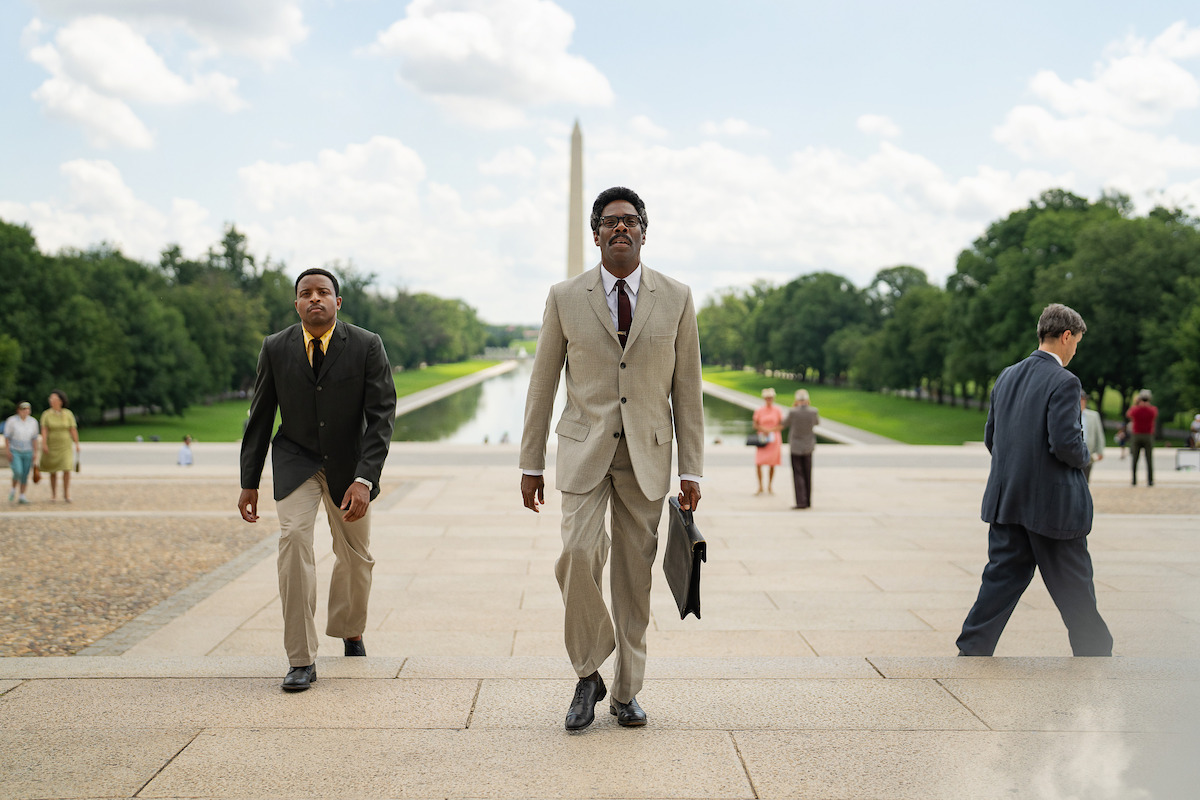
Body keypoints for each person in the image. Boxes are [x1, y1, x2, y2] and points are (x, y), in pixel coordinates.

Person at [520, 186, 703, 731]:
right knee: (577, 555)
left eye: (629, 221)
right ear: (595, 232)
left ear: (645, 231)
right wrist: (530, 462)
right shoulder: (564, 296)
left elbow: (687, 388)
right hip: (584, 448)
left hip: (647, 454)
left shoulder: (676, 296)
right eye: (608, 221)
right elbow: (542, 382)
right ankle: (587, 672)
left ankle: (626, 691)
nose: (619, 229)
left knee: (633, 577)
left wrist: (691, 468)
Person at [238, 267, 397, 693]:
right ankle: (301, 658)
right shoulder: (275, 347)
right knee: (293, 542)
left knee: (355, 556)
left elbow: (382, 416)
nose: (315, 299)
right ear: (296, 304)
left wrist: (365, 479)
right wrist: (248, 480)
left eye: (323, 292)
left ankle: (350, 629)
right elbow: (260, 416)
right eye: (305, 293)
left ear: (337, 302)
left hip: (350, 466)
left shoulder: (366, 345)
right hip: (296, 461)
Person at [957, 303, 1112, 657]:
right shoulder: (1065, 381)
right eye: (1076, 343)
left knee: (1000, 580)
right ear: (1067, 336)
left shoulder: (1007, 376)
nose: (1075, 351)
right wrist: (1086, 456)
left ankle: (973, 647)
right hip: (1052, 507)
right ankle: (1096, 653)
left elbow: (991, 438)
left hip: (1007, 500)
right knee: (1074, 585)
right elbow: (1066, 444)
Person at [39, 389, 79, 503]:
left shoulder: (68, 414)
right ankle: (53, 494)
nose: (52, 401)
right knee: (53, 470)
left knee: (67, 468)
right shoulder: (46, 414)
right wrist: (44, 444)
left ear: (60, 401)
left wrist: (77, 443)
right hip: (52, 444)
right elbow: (44, 430)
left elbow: (72, 429)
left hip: (65, 444)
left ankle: (66, 493)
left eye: (54, 398)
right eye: (51, 399)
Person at [785, 389, 819, 508]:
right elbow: (816, 423)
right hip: (808, 446)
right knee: (808, 474)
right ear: (807, 400)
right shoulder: (814, 411)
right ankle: (808, 501)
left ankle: (801, 501)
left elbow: (785, 423)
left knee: (798, 474)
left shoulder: (793, 412)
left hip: (796, 446)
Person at [4, 402, 40, 504]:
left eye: (27, 409)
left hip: (28, 450)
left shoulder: (33, 422)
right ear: (18, 410)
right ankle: (13, 488)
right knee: (18, 471)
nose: (25, 411)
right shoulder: (12, 421)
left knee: (25, 473)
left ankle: (22, 495)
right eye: (23, 409)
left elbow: (34, 438)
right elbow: (7, 437)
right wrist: (8, 451)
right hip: (15, 450)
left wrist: (35, 452)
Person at [753, 388, 783, 495]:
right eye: (767, 398)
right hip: (763, 437)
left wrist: (771, 430)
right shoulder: (759, 410)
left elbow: (781, 424)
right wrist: (763, 429)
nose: (769, 399)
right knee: (759, 462)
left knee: (772, 463)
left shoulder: (777, 410)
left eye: (770, 398)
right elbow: (755, 424)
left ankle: (770, 485)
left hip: (774, 438)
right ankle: (760, 486)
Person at [1125, 389, 1158, 486]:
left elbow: (1129, 414)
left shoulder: (1135, 409)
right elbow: (1155, 415)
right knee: (1149, 459)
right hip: (1148, 435)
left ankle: (1134, 479)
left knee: (1135, 459)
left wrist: (1136, 403)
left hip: (1137, 434)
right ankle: (1150, 480)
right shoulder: (1152, 409)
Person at [1080, 392, 1104, 483]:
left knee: (1086, 479)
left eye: (1083, 400)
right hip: (1075, 450)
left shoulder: (1093, 416)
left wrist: (1100, 450)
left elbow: (1098, 433)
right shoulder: (1070, 415)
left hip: (1088, 451)